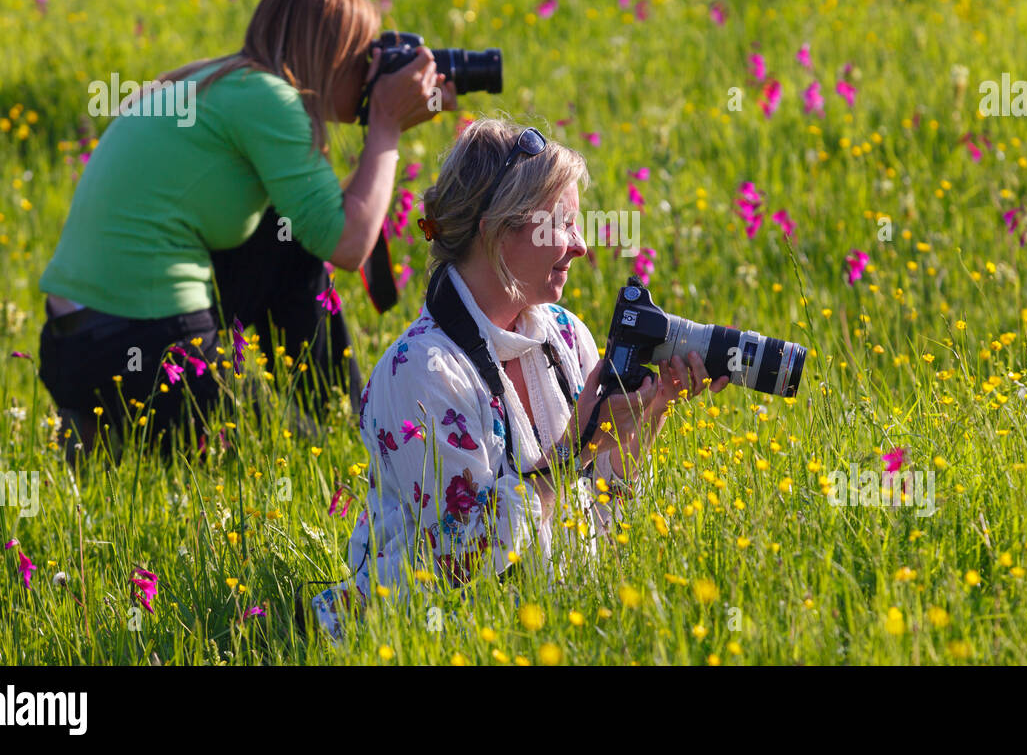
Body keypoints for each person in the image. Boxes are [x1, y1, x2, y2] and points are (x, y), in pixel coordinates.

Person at [310, 119, 729, 638]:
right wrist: (577, 443)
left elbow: (602, 512)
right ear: (496, 229)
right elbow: (461, 564)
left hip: (556, 628)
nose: (580, 246)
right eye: (562, 224)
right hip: (428, 636)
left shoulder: (566, 336)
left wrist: (650, 413)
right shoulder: (421, 370)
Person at [36, 0, 457, 461]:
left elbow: (318, 223)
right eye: (364, 61)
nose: (370, 78)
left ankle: (336, 414)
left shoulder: (213, 82)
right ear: (330, 58)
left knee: (287, 238)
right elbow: (347, 244)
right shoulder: (270, 99)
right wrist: (386, 126)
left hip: (74, 345)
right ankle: (342, 431)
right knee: (287, 457)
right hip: (143, 346)